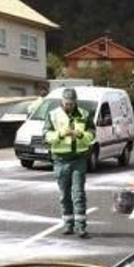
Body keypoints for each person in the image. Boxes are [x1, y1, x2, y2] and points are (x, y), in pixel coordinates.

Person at [46, 87, 95, 237]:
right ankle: (68, 224)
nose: (69, 106)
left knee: (78, 193)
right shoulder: (53, 115)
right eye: (67, 103)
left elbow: (92, 135)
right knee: (64, 194)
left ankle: (81, 227)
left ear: (76, 102)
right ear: (62, 101)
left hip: (78, 158)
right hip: (60, 160)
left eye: (72, 103)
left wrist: (80, 134)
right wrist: (61, 134)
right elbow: (47, 136)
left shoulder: (85, 114)